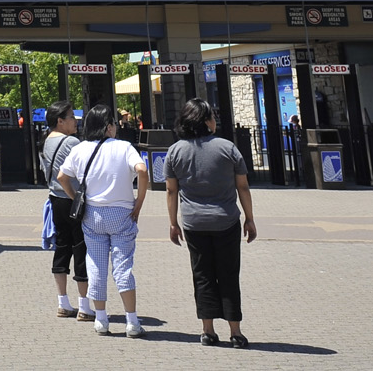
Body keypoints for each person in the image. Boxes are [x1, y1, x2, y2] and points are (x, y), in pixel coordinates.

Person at [165, 99, 255, 349]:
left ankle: (207, 331)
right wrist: (250, 218)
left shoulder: (176, 151)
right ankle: (235, 332)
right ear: (205, 122)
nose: (215, 121)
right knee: (228, 274)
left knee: (202, 275)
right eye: (213, 117)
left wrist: (173, 223)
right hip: (226, 220)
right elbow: (243, 186)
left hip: (193, 222)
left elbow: (171, 191)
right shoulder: (228, 148)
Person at [57, 103, 149, 339]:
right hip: (122, 213)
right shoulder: (124, 148)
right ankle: (132, 321)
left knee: (96, 265)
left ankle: (101, 319)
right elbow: (142, 170)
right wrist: (139, 202)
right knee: (123, 266)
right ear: (108, 126)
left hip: (93, 214)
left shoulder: (80, 149)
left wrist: (75, 198)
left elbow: (62, 177)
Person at [39, 101, 91, 321]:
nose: (75, 120)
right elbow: (84, 170)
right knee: (81, 249)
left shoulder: (45, 141)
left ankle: (62, 302)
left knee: (61, 248)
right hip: (73, 198)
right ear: (60, 121)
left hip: (55, 199)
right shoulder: (71, 142)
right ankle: (85, 305)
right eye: (71, 117)